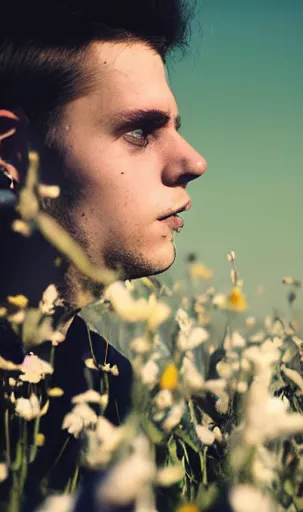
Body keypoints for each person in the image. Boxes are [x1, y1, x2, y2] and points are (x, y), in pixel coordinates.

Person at [0, 0, 207, 509]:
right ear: (14, 152)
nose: (193, 161)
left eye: (176, 127)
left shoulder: (117, 389)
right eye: (139, 131)